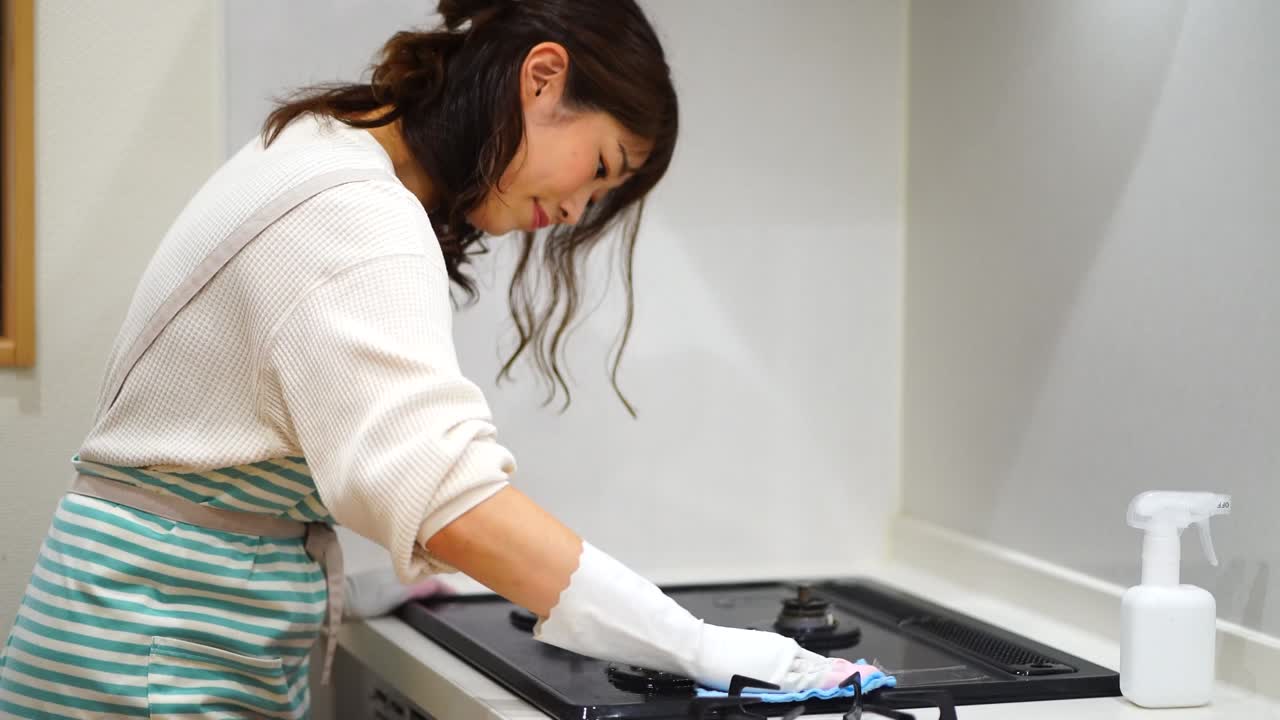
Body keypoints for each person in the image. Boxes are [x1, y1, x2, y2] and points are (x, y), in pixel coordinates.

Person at [0, 1, 860, 717]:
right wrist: (695, 642)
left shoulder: (324, 147)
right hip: (148, 661)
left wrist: (364, 581)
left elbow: (238, 453)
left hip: (141, 636)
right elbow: (448, 498)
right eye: (597, 167)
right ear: (542, 76)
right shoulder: (357, 214)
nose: (574, 208)